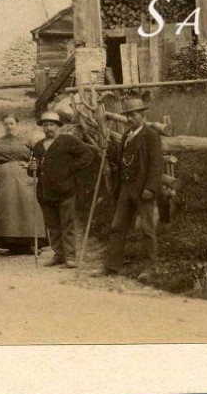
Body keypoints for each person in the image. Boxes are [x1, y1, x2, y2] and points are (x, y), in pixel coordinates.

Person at [101, 97, 163, 277]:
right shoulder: (126, 136)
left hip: (143, 189)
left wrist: (150, 188)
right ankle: (112, 266)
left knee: (146, 229)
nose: (129, 118)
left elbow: (156, 164)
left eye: (133, 115)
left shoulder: (151, 136)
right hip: (125, 189)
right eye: (127, 115)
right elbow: (121, 160)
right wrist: (109, 149)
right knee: (117, 227)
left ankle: (151, 267)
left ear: (143, 115)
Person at [30, 110, 97, 268]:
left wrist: (73, 168)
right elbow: (33, 169)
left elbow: (88, 153)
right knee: (52, 225)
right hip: (45, 192)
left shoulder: (67, 141)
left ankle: (70, 257)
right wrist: (32, 168)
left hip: (66, 190)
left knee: (67, 223)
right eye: (45, 125)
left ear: (58, 126)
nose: (48, 128)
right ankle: (58, 255)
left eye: (51, 124)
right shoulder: (38, 146)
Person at [0, 113, 48, 253]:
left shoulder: (27, 139)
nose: (9, 127)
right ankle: (11, 244)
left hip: (25, 177)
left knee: (27, 208)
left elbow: (39, 153)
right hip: (5, 180)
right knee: (7, 210)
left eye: (11, 123)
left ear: (17, 124)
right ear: (3, 126)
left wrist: (32, 164)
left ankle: (31, 242)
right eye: (6, 124)